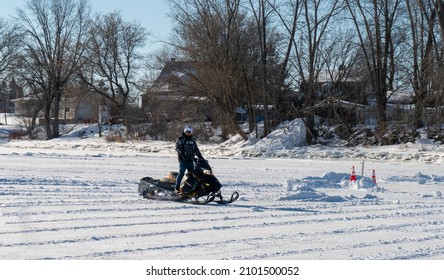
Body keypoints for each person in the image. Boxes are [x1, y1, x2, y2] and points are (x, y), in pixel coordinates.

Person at [174, 124, 204, 192]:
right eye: (187, 131)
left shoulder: (192, 139)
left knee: (192, 175)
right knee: (181, 173)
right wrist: (183, 156)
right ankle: (176, 187)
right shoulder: (180, 139)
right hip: (183, 160)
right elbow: (177, 148)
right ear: (185, 131)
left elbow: (196, 149)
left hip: (190, 160)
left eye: (189, 132)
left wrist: (200, 156)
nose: (188, 133)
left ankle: (189, 188)